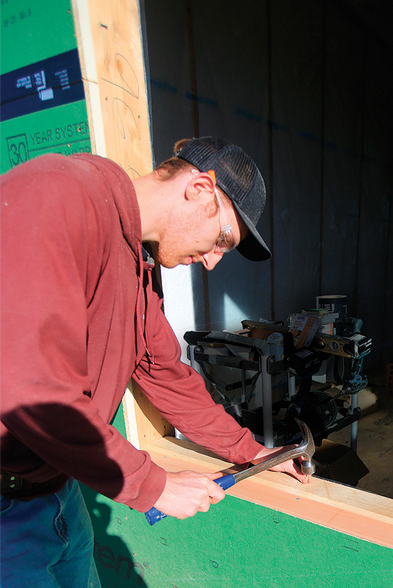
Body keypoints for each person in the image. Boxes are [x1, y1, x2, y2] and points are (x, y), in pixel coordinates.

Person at [0, 137, 308, 587]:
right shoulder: (57, 195)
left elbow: (166, 375)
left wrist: (253, 452)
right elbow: (34, 387)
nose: (211, 263)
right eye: (222, 239)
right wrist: (154, 485)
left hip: (58, 493)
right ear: (200, 188)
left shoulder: (139, 264)